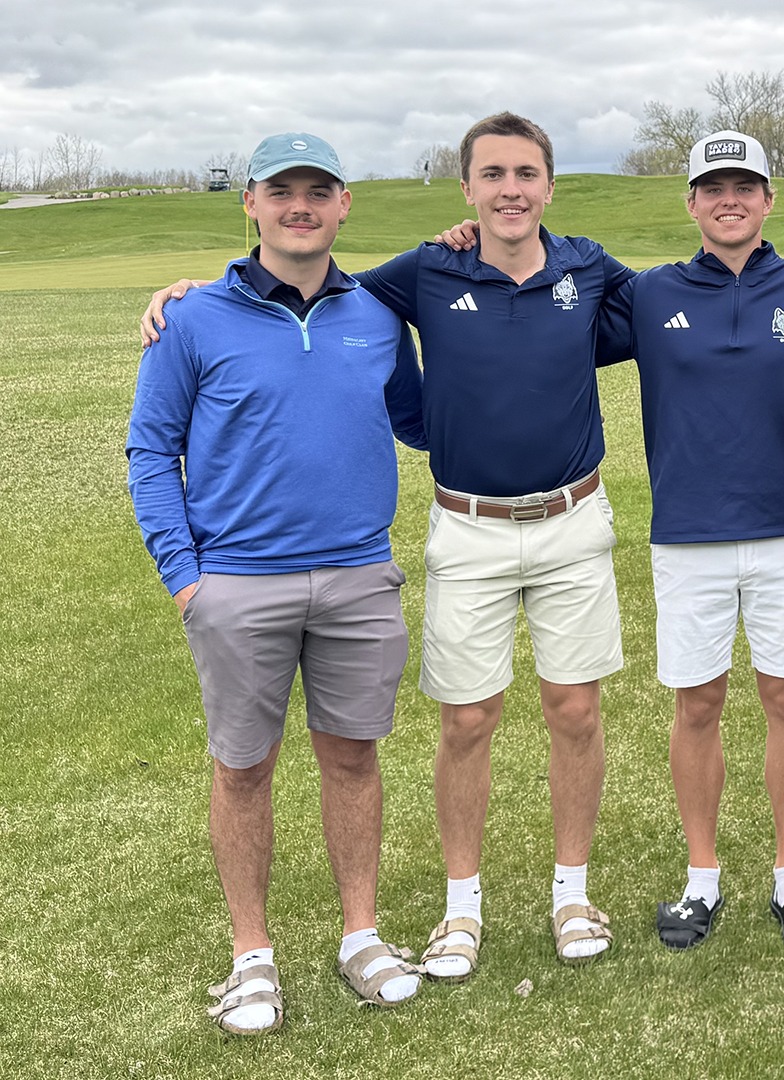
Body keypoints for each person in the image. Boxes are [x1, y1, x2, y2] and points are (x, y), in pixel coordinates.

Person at [143, 112, 637, 978]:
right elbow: (294, 289)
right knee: (464, 719)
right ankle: (458, 911)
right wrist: (191, 292)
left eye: (526, 173)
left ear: (550, 185)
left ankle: (570, 894)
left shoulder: (586, 268)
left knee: (574, 711)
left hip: (570, 519)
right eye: (493, 175)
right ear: (468, 189)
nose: (510, 190)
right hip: (462, 526)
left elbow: (688, 303)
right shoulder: (421, 272)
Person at [127, 131, 428, 1034]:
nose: (301, 205)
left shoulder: (378, 314)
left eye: (319, 190)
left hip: (357, 576)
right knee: (244, 768)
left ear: (345, 206)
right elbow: (151, 451)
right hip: (236, 586)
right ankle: (252, 957)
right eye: (281, 189)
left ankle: (360, 937)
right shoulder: (191, 319)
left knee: (351, 756)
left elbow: (420, 424)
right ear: (250, 205)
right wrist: (188, 580)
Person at [609, 132, 784, 950]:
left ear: (769, 199)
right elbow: (542, 292)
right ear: (692, 204)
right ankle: (700, 879)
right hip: (687, 535)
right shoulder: (648, 292)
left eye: (745, 185)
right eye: (714, 187)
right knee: (697, 702)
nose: (729, 199)